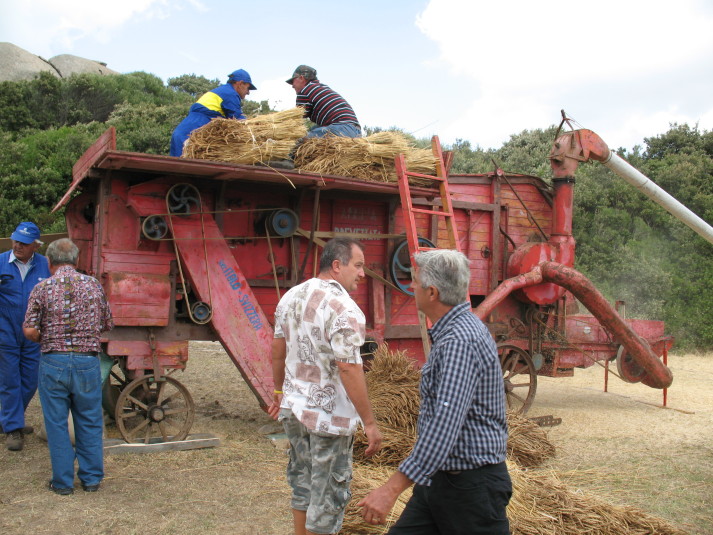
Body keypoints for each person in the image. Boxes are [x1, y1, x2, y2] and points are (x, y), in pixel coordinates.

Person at [358, 249, 511, 534]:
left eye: (415, 281)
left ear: (432, 292)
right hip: (440, 479)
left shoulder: (459, 341)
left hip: (470, 490)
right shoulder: (454, 333)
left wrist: (391, 489)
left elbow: (444, 427)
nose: (411, 286)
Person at [269, 237, 382, 535]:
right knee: (329, 495)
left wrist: (279, 392)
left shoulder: (290, 298)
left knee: (302, 484)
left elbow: (278, 351)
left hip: (293, 409)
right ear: (336, 265)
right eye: (358, 265)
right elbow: (348, 366)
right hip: (328, 417)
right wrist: (369, 422)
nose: (362, 273)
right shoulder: (345, 308)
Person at [23, 238, 113, 496]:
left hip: (54, 361)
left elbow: (29, 329)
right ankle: (92, 479)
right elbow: (107, 323)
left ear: (49, 262)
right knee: (90, 420)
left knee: (56, 423)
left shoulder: (42, 288)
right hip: (87, 361)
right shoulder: (94, 286)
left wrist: (46, 336)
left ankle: (62, 483)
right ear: (76, 261)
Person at [0, 221, 51, 451]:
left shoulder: (45, 265)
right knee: (10, 380)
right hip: (6, 331)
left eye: (24, 242)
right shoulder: (1, 262)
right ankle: (13, 429)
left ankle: (11, 419)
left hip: (33, 334)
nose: (18, 245)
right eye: (16, 240)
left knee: (30, 380)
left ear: (35, 246)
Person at [170, 68, 257, 157]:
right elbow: (239, 121)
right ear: (240, 83)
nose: (248, 92)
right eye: (248, 87)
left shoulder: (222, 91)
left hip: (183, 131)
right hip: (189, 133)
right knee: (184, 167)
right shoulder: (230, 94)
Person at [286, 65, 361, 139]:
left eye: (293, 81)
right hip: (356, 131)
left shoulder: (305, 91)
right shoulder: (321, 88)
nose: (292, 85)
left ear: (301, 78)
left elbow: (296, 119)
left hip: (340, 128)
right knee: (313, 129)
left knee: (299, 142)